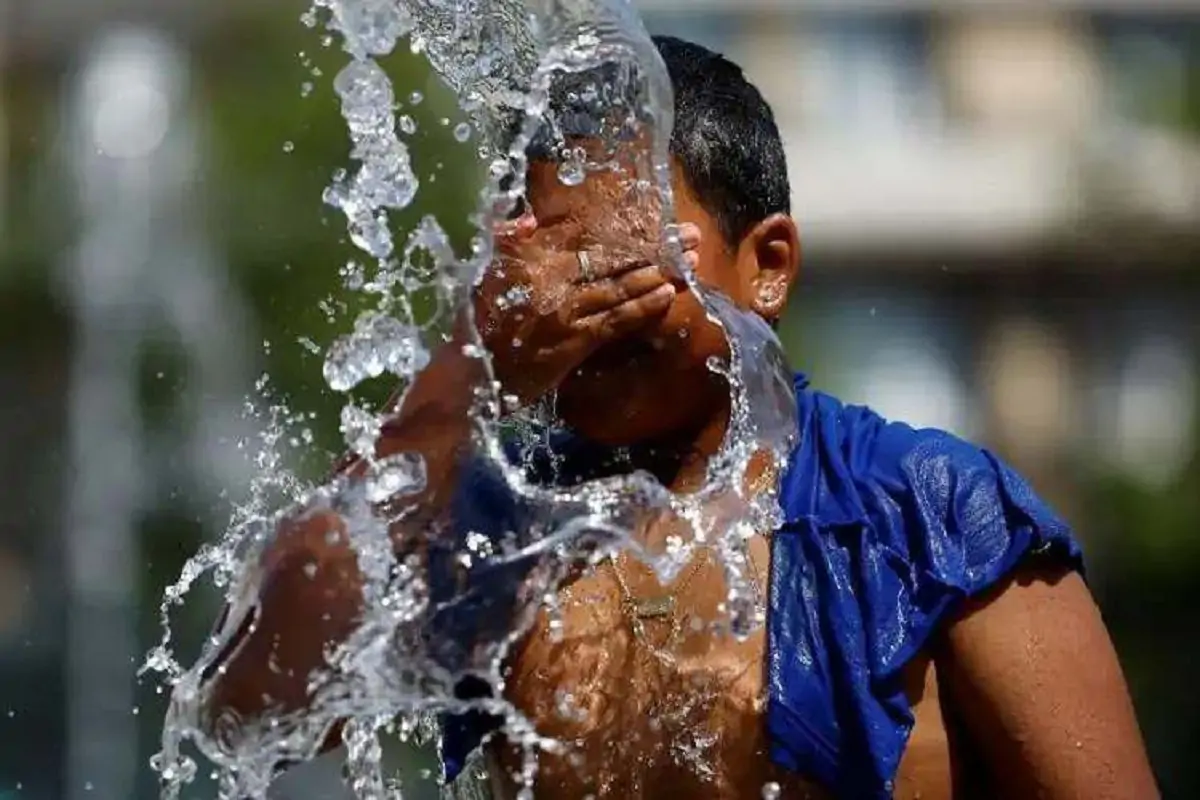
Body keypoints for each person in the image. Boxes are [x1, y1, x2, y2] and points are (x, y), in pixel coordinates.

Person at [191, 36, 1159, 799]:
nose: (581, 307)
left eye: (617, 262)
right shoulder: (504, 528)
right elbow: (246, 710)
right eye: (547, 270)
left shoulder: (932, 521)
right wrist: (458, 378)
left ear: (766, 265)